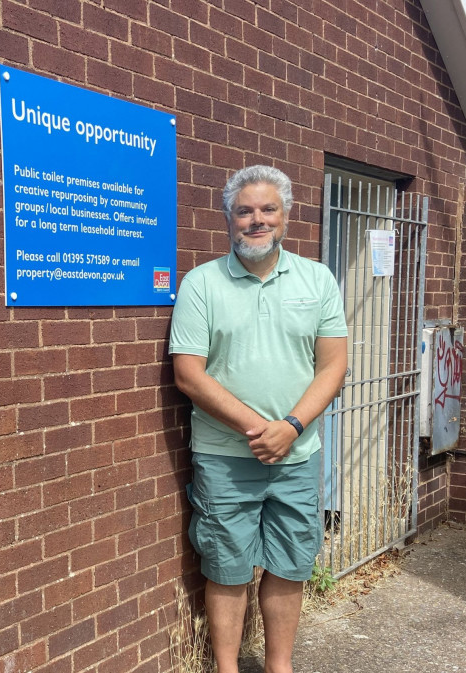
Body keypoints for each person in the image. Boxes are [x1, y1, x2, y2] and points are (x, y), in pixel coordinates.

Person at [169, 165, 348, 673]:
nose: (256, 220)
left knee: (291, 564)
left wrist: (288, 428)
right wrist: (259, 429)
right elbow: (189, 374)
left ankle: (279, 667)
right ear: (229, 218)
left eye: (267, 209)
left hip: (297, 452)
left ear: (285, 215)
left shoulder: (317, 279)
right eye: (244, 211)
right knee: (227, 567)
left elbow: (333, 364)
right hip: (225, 457)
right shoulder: (201, 283)